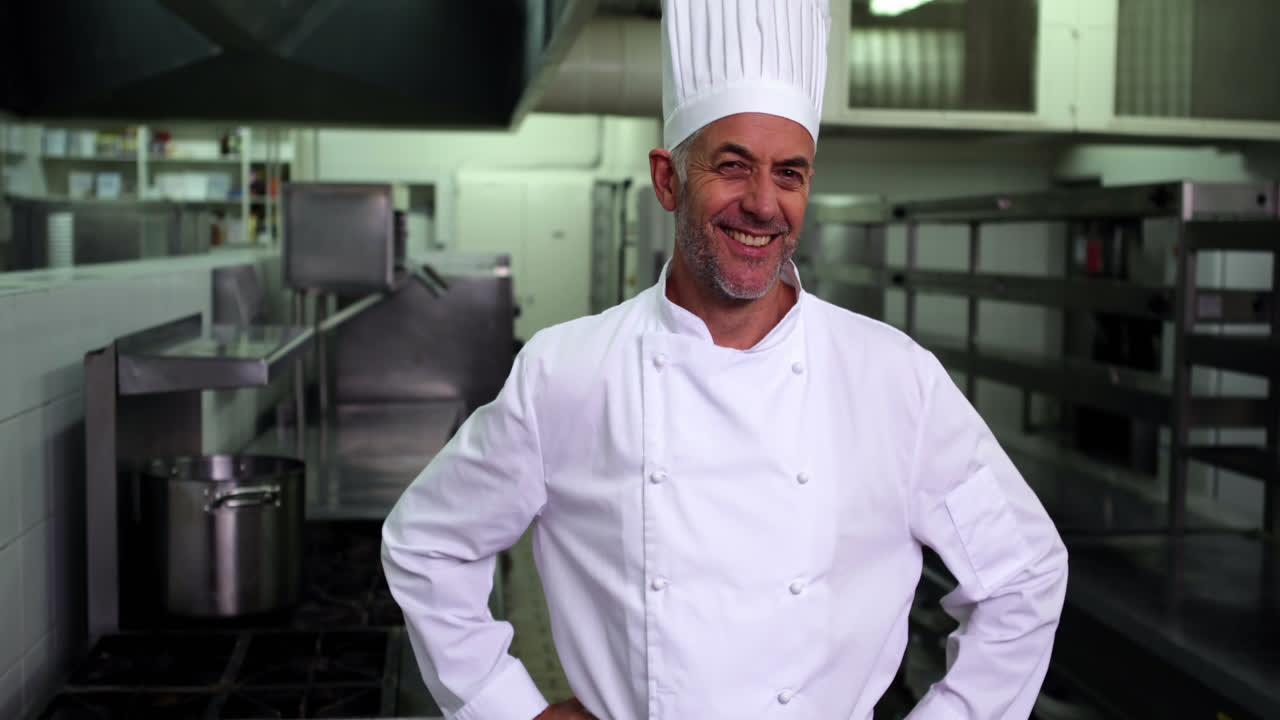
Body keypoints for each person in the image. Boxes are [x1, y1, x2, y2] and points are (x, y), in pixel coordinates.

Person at [381, 1, 1069, 718]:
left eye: (791, 173)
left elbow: (1024, 576)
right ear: (668, 178)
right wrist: (510, 710)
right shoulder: (571, 373)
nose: (764, 204)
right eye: (733, 166)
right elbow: (427, 544)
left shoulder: (893, 380)